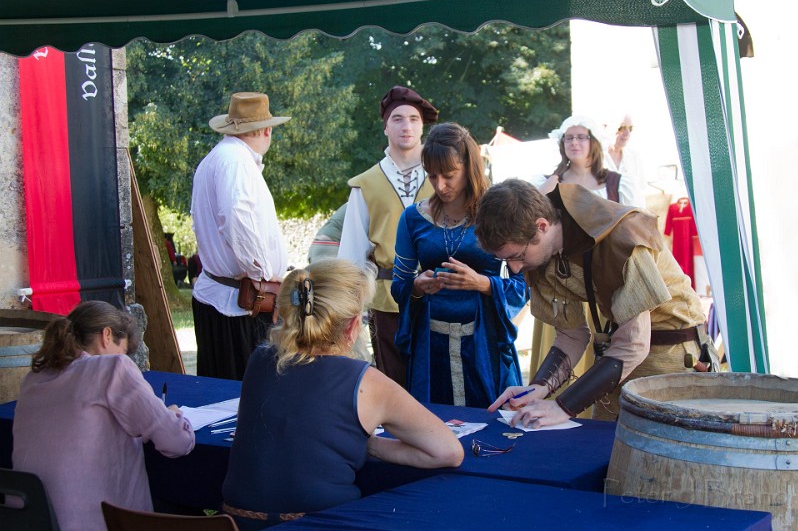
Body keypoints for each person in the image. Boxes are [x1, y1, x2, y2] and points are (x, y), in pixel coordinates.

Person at [221, 259, 463, 530]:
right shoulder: (366, 382)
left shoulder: (260, 358)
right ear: (352, 327)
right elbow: (448, 452)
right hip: (326, 522)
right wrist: (370, 445)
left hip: (238, 521)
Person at [475, 179, 711, 425]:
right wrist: (538, 388)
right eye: (506, 261)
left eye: (517, 256)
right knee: (604, 453)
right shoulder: (540, 253)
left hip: (672, 356)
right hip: (619, 356)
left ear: (542, 226)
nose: (515, 267)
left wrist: (562, 406)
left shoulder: (622, 236)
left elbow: (634, 344)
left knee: (654, 455)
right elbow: (572, 335)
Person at [12, 300, 195, 531]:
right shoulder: (113, 367)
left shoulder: (33, 379)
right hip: (93, 522)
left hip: (28, 520)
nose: (125, 358)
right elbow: (175, 441)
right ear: (106, 335)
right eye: (124, 350)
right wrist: (174, 416)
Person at [392, 123, 528, 407]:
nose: (440, 185)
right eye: (432, 176)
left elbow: (522, 287)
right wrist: (416, 287)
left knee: (494, 429)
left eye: (449, 175)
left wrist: (482, 283)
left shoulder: (498, 214)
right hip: (431, 351)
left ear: (469, 167)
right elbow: (399, 285)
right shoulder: (412, 219)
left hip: (485, 348)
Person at [338, 85, 439, 388]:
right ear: (385, 127)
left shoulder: (443, 178)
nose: (406, 126)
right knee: (392, 385)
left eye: (413, 118)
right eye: (397, 119)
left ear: (423, 126)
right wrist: (347, 313)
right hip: (387, 301)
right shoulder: (365, 184)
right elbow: (351, 255)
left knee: (439, 385)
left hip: (440, 295)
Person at [191, 91, 290, 380]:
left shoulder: (221, 158)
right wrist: (264, 277)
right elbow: (237, 219)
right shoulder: (235, 162)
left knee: (226, 393)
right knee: (241, 395)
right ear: (265, 129)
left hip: (232, 300)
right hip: (240, 304)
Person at [538, 115, 641, 207]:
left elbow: (636, 224)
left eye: (581, 137)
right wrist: (541, 196)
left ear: (593, 142)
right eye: (569, 138)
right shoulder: (548, 184)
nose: (574, 142)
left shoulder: (618, 185)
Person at [604, 113, 647, 207]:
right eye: (622, 128)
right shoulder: (597, 159)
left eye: (630, 128)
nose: (627, 133)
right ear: (607, 127)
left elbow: (641, 194)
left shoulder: (634, 157)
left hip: (632, 218)